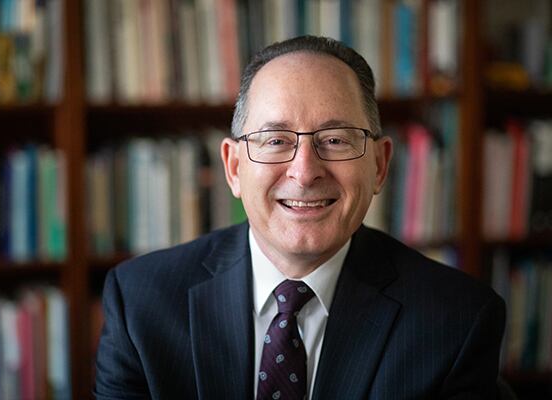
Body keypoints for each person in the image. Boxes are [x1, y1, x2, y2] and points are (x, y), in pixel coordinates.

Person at [94, 36, 505, 399]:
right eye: (275, 140)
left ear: (379, 166)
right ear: (234, 168)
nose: (305, 171)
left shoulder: (456, 321)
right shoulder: (141, 304)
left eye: (335, 140)